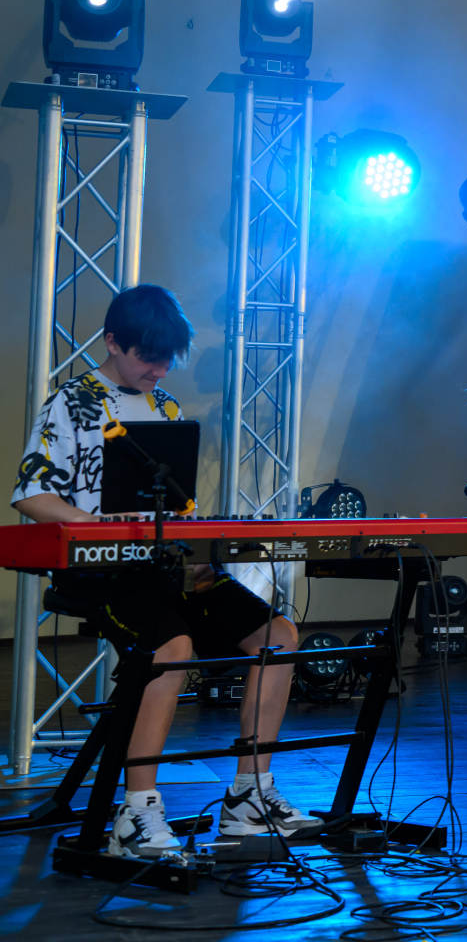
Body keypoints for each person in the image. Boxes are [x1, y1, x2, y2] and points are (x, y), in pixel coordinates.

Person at [11, 285, 318, 858]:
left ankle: (250, 797)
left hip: (167, 566)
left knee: (277, 635)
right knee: (171, 646)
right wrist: (95, 524)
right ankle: (137, 813)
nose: (159, 370)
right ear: (112, 343)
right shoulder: (72, 402)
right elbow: (31, 494)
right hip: (102, 574)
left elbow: (177, 507)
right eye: (147, 358)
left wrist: (198, 549)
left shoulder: (167, 409)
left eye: (166, 360)